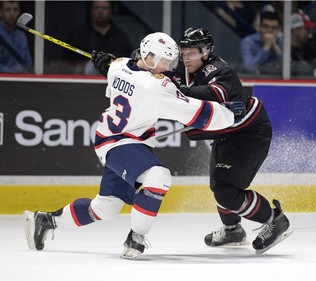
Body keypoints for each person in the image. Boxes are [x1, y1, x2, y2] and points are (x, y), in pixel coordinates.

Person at [23, 32, 246, 259]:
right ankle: (136, 238)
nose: (169, 67)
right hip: (120, 142)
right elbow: (194, 113)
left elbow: (123, 64)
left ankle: (45, 221)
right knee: (159, 177)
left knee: (105, 208)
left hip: (112, 139)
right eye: (166, 61)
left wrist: (107, 62)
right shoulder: (155, 86)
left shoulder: (119, 66)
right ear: (149, 57)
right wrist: (228, 115)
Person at [169, 27, 292, 254]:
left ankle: (276, 220)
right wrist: (118, 66)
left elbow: (214, 93)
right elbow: (154, 75)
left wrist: (179, 91)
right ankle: (233, 230)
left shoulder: (220, 70)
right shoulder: (182, 69)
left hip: (249, 134)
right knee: (218, 185)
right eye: (183, 52)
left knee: (227, 190)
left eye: (192, 53)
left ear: (205, 52)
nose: (186, 58)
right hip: (226, 133)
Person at [61, 0, 133, 74]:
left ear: (110, 12)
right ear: (91, 11)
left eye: (104, 8)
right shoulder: (77, 36)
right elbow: (66, 64)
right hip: (83, 81)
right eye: (96, 8)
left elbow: (128, 64)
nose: (100, 11)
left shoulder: (121, 37)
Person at [0, 1, 32, 73]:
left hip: (22, 81)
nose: (12, 13)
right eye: (8, 10)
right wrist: (13, 72)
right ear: (1, 12)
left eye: (15, 10)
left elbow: (28, 64)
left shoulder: (22, 36)